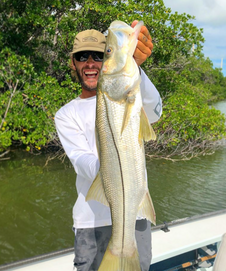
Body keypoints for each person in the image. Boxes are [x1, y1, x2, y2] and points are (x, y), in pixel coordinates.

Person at [55, 20, 162, 271]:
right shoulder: (65, 114)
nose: (91, 63)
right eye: (82, 56)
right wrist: (114, 170)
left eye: (101, 54)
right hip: (89, 223)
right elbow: (81, 161)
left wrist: (135, 67)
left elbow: (155, 112)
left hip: (135, 216)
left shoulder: (130, 91)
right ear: (73, 63)